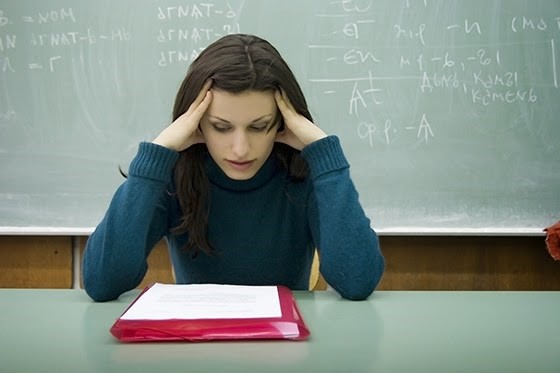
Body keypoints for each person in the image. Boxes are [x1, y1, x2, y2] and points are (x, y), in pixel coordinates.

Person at [82, 33, 384, 302]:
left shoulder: (303, 174)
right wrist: (156, 156)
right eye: (221, 127)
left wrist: (325, 155)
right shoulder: (174, 176)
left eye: (259, 127)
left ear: (281, 123)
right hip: (198, 350)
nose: (241, 149)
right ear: (197, 124)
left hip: (283, 353)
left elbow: (357, 281)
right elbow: (101, 282)